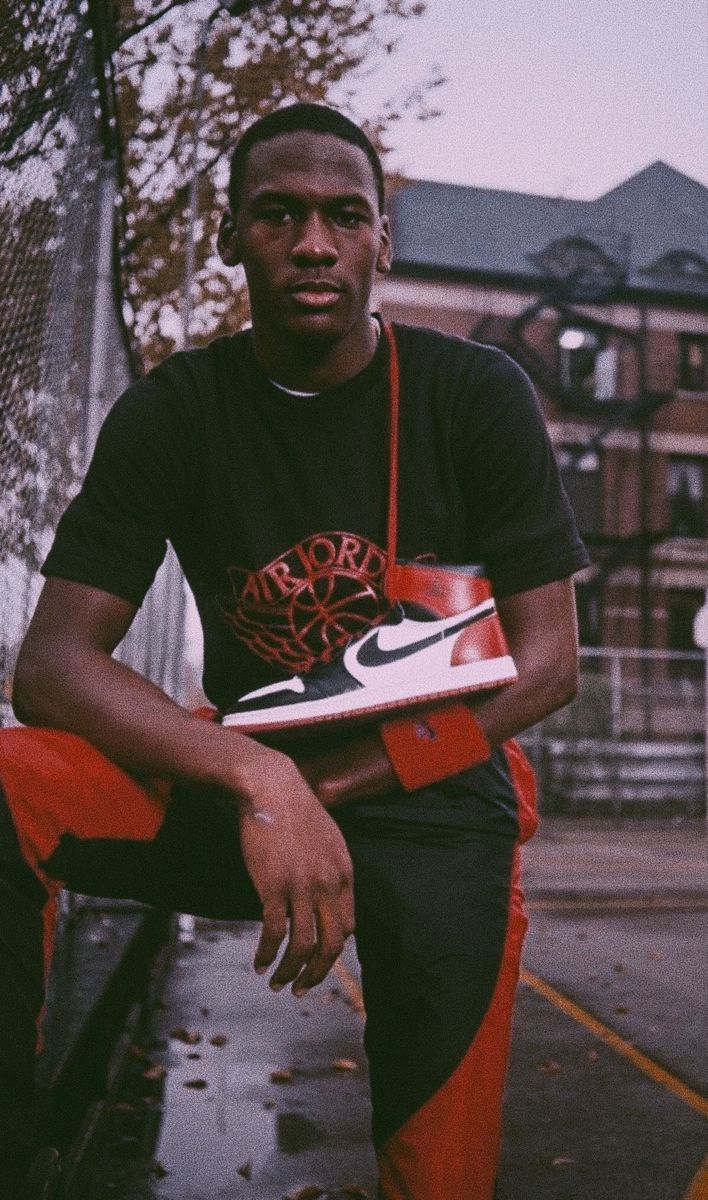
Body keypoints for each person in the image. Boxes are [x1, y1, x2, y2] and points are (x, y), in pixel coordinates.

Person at [1, 102, 588, 1199]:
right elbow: (51, 667)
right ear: (231, 236)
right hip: (251, 788)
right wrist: (262, 777)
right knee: (6, 781)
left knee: (438, 1159)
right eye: (277, 213)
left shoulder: (475, 394)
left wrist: (333, 784)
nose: (312, 241)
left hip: (436, 791)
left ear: (382, 242)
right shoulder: (175, 411)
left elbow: (550, 662)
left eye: (343, 215)